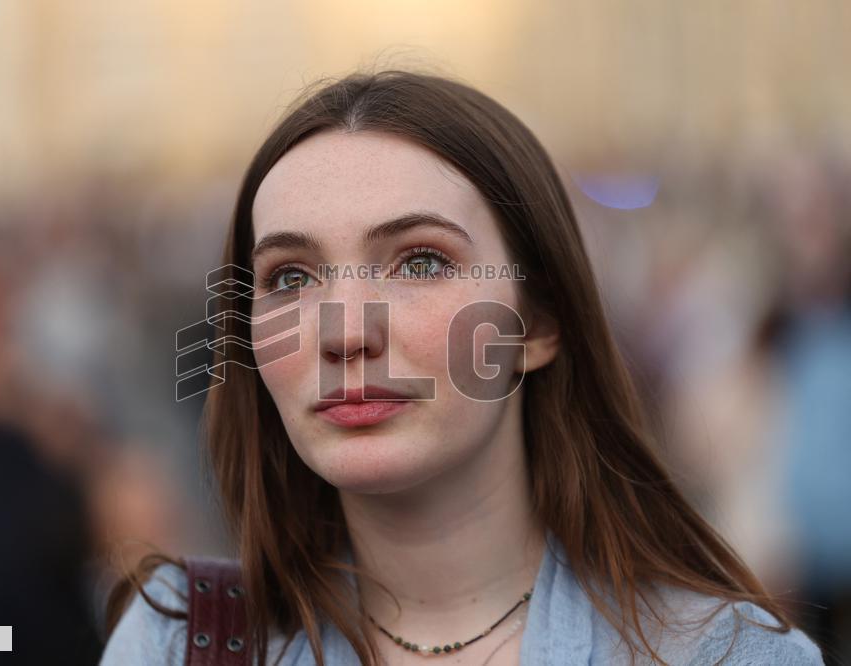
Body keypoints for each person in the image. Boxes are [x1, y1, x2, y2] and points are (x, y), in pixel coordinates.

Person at [100, 68, 824, 665]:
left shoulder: (726, 656)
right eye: (291, 278)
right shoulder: (175, 644)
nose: (345, 333)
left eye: (419, 261)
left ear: (538, 323)